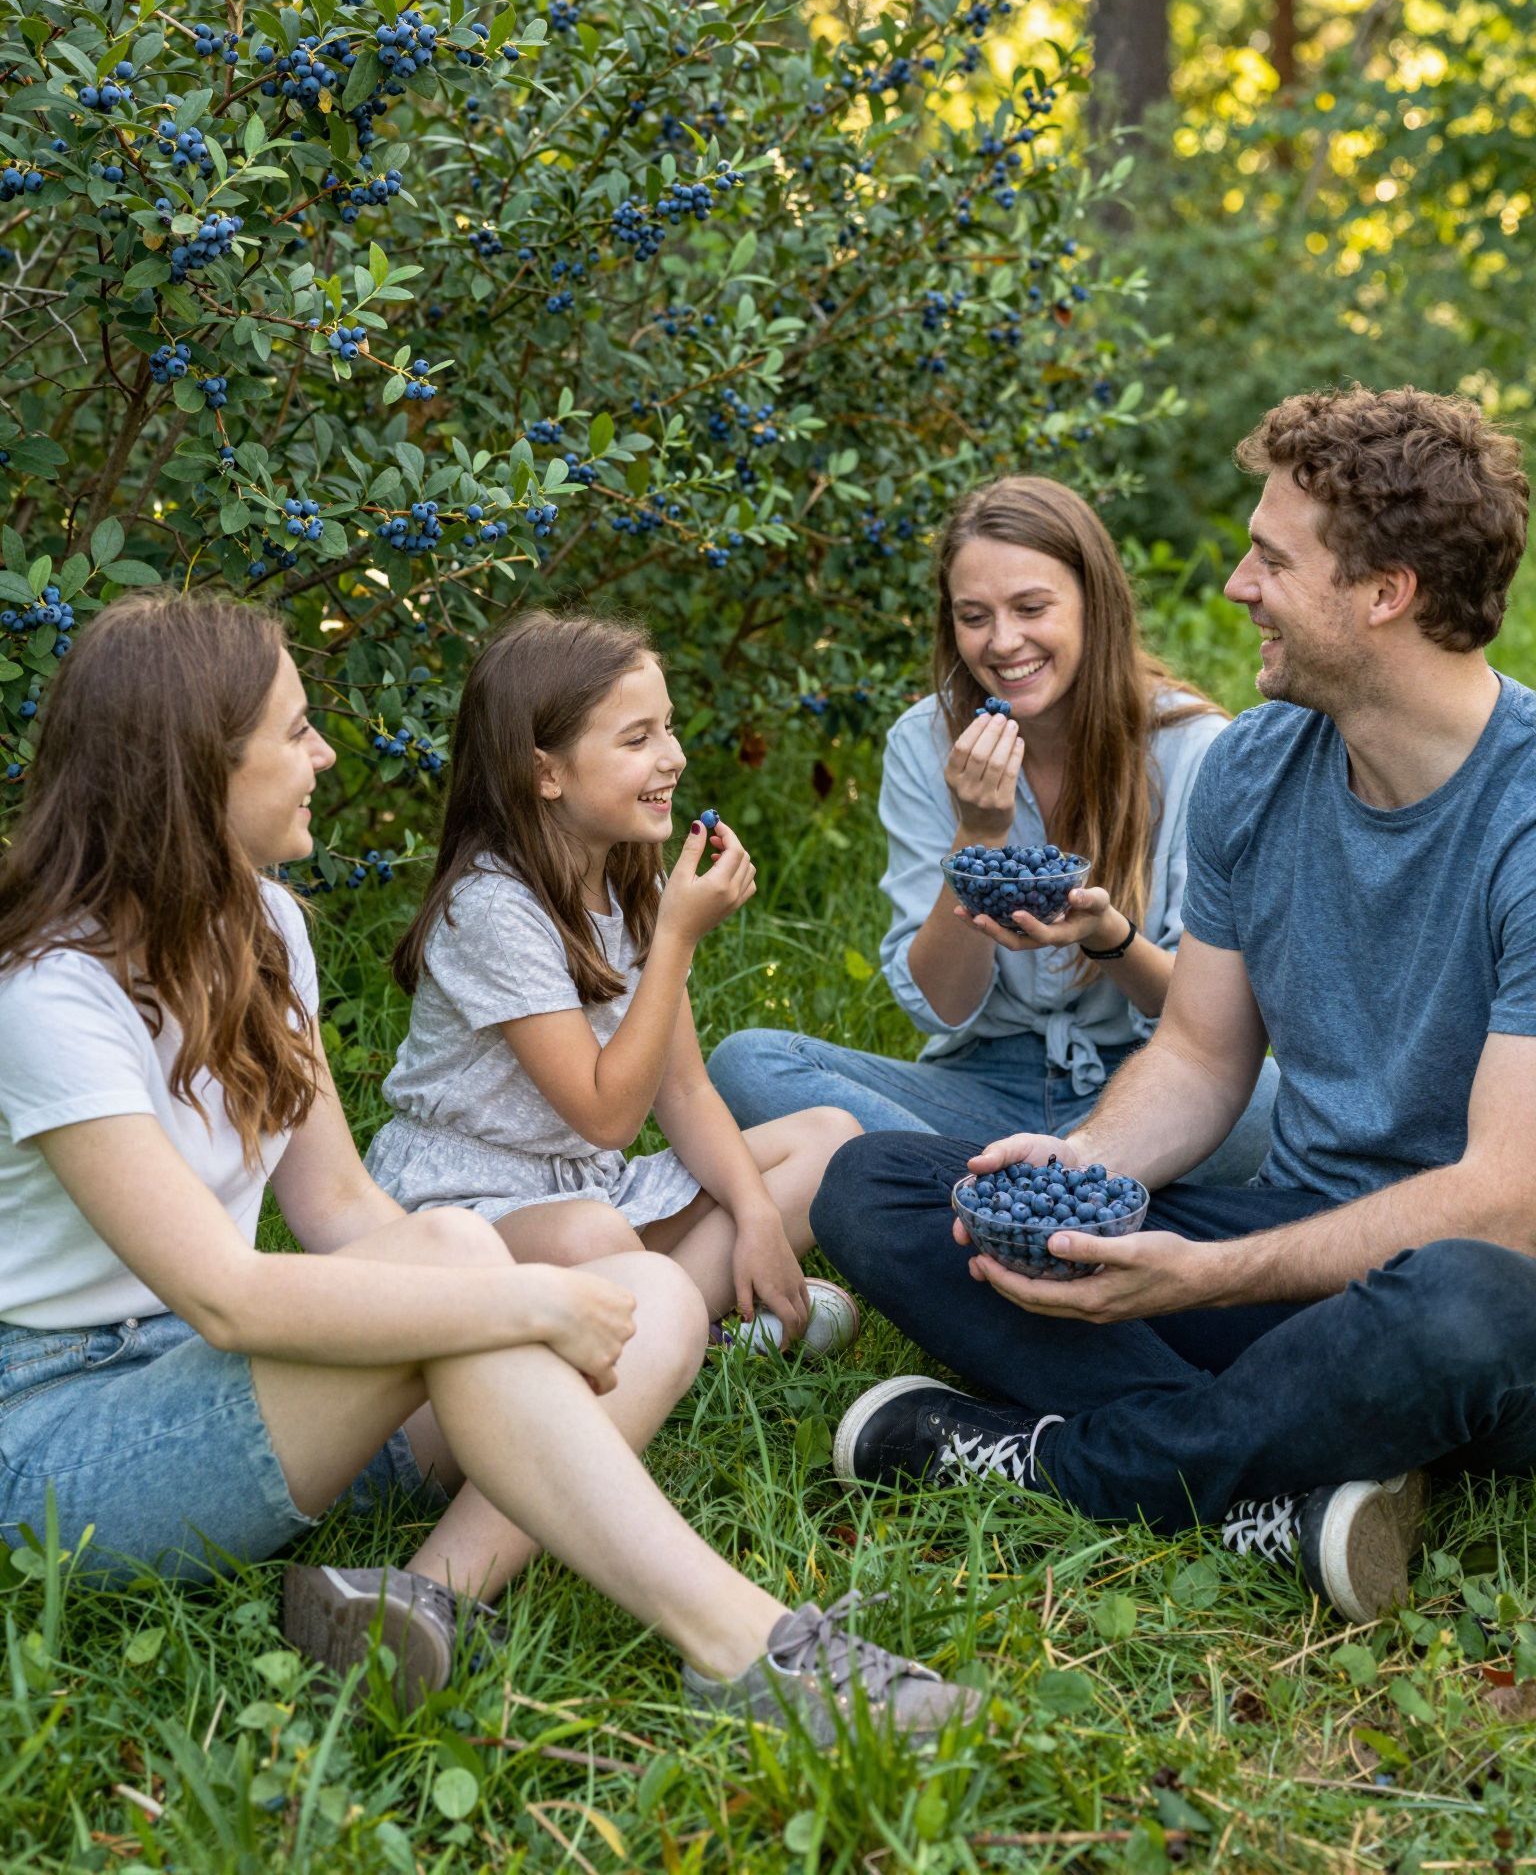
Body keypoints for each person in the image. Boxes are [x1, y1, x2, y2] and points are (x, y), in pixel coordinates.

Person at [0, 591, 981, 1739]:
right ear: (196, 767)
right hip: (59, 1432)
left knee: (654, 1295)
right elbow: (226, 1293)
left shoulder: (264, 926)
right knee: (481, 1257)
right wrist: (518, 1298)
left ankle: (409, 1604)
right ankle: (747, 1643)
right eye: (296, 730)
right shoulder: (51, 996)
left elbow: (340, 1206)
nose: (324, 753)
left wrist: (518, 1307)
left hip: (234, 1392)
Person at [815, 385, 1536, 1626]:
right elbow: (1202, 1056)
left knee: (1459, 1299)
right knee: (877, 1187)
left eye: (1271, 558)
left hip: (1474, 1290)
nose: (1237, 587)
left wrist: (1197, 1275)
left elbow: (1507, 1192)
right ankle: (1279, 1474)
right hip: (1298, 1244)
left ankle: (1058, 1461)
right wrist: (1083, 1170)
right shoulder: (1259, 765)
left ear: (1386, 592)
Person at [708, 477, 1277, 1184]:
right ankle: (1045, 1195)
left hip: (1146, 1084)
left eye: (1032, 607)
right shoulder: (923, 741)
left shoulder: (1196, 747)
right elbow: (943, 1009)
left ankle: (967, 1194)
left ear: (1094, 605)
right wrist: (977, 833)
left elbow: (1208, 1019)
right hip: (976, 1088)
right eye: (973, 616)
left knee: (1268, 1098)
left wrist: (1108, 938)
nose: (1004, 643)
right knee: (749, 1061)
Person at [364, 610, 861, 1358]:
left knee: (830, 1140)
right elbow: (607, 1115)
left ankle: (659, 1324)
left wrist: (757, 1217)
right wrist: (676, 942)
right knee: (596, 1235)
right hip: (468, 1204)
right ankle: (687, 1326)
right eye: (638, 739)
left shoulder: (634, 881)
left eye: (668, 727)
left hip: (590, 1184)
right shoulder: (494, 907)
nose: (675, 758)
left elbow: (685, 1093)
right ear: (546, 773)